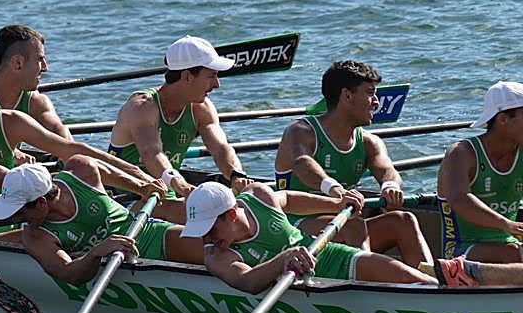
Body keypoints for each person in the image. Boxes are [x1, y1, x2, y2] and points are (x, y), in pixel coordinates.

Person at [0, 73, 163, 236]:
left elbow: (69, 149)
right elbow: (6, 179)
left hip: (25, 219)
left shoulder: (9, 121)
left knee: (80, 164)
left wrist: (136, 177)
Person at [274, 60, 432, 269]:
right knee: (353, 225)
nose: (376, 102)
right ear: (347, 96)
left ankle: (434, 283)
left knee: (403, 220)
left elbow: (386, 170)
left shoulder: (369, 142)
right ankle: (367, 284)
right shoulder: (300, 131)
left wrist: (390, 186)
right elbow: (302, 164)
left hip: (338, 225)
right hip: (290, 229)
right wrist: (336, 190)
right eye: (370, 93)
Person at [180, 181, 436, 293]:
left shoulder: (258, 195)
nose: (207, 239)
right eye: (200, 232)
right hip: (292, 280)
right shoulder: (216, 255)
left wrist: (336, 204)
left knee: (415, 279)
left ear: (232, 214)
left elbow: (289, 199)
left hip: (324, 255)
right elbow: (247, 281)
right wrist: (282, 261)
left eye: (210, 229)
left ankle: (453, 290)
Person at [0, 160, 203, 285]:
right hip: (115, 269)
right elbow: (69, 274)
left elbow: (107, 170)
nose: (13, 219)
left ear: (42, 202)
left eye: (18, 211)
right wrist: (95, 253)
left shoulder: (81, 170)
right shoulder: (35, 238)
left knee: (212, 248)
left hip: (149, 234)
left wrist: (141, 187)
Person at [109, 35, 249, 203]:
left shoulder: (201, 109)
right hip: (122, 196)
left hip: (164, 194)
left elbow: (220, 148)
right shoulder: (142, 107)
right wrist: (180, 184)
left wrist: (236, 174)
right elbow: (151, 153)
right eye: (211, 76)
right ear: (187, 76)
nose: (217, 84)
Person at [435, 81, 523, 286]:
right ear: (503, 119)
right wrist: (506, 225)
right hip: (460, 249)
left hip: (510, 242)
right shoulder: (461, 154)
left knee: (512, 251)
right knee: (511, 253)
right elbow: (459, 199)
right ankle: (460, 274)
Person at [0, 25, 69, 139]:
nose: (45, 67)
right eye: (40, 59)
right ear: (18, 63)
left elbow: (60, 134)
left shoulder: (35, 102)